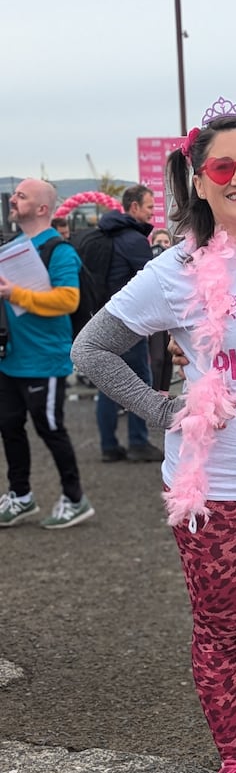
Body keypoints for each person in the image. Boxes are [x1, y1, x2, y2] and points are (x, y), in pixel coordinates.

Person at [71, 102, 236, 773]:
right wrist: (163, 409)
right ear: (201, 184)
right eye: (224, 167)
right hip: (210, 486)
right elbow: (89, 349)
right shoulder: (175, 270)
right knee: (218, 629)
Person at [0, 179, 94, 529]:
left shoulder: (60, 251)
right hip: (11, 357)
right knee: (9, 426)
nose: (13, 200)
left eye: (21, 196)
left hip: (45, 359)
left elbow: (68, 300)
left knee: (50, 428)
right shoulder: (13, 247)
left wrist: (15, 295)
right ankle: (20, 496)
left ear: (42, 208)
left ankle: (75, 498)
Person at [92, 184, 163, 463]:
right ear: (133, 208)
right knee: (138, 382)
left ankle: (109, 446)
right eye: (149, 207)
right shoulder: (133, 240)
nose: (152, 213)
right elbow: (153, 282)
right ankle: (138, 442)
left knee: (108, 384)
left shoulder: (105, 235)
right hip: (129, 324)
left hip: (103, 319)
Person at [147, 228, 174, 392]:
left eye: (166, 242)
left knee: (169, 358)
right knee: (156, 359)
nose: (163, 246)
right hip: (154, 319)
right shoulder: (148, 267)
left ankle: (164, 393)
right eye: (159, 242)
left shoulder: (176, 266)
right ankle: (154, 396)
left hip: (171, 318)